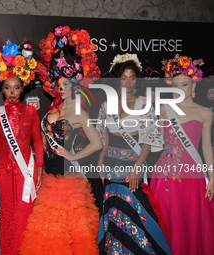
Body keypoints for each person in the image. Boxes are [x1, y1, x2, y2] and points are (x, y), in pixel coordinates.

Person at [19, 25, 102, 254]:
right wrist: (37, 169)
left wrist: (74, 155)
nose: (62, 88)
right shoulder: (50, 111)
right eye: (59, 85)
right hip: (49, 177)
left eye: (66, 85)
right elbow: (44, 143)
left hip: (70, 179)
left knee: (72, 233)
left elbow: (97, 143)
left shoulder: (79, 113)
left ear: (75, 86)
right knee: (48, 233)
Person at [96, 54, 171, 254]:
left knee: (135, 212)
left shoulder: (143, 104)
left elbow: (148, 139)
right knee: (113, 211)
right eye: (123, 77)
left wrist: (138, 167)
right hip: (110, 167)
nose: (127, 82)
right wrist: (100, 163)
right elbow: (103, 139)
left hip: (132, 166)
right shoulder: (106, 105)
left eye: (132, 78)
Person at [0, 40, 44, 255]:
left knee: (25, 212)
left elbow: (38, 143)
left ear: (23, 88)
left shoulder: (31, 112)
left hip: (27, 170)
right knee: (7, 212)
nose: (12, 92)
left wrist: (40, 171)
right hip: (4, 171)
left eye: (16, 88)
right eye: (7, 88)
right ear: (2, 88)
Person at [150, 54, 214, 255]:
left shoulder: (205, 113)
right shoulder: (163, 109)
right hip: (165, 177)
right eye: (175, 85)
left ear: (194, 86)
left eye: (184, 84)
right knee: (168, 225)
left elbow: (207, 147)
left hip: (192, 177)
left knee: (191, 226)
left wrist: (212, 176)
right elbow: (152, 141)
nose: (179, 89)